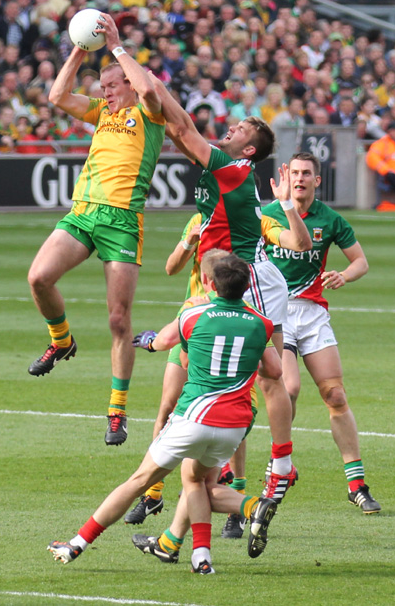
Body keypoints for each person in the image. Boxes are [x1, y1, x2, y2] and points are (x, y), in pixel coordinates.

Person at [48, 254, 293, 573]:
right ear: (246, 287)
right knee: (196, 481)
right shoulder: (261, 322)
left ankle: (77, 544)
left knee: (138, 481)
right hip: (234, 425)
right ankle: (202, 556)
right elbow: (274, 370)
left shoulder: (195, 314)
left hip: (195, 417)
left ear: (209, 283)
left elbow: (163, 342)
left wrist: (149, 342)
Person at [125, 164, 311, 532]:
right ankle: (154, 492)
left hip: (230, 323)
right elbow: (170, 268)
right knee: (166, 406)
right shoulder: (198, 219)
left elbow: (293, 241)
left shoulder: (254, 223)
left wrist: (286, 206)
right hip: (192, 321)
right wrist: (187, 242)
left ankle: (235, 497)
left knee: (236, 408)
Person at [26, 12, 166, 446]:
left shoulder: (149, 113)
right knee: (38, 277)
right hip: (84, 213)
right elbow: (56, 95)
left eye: (110, 86)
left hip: (123, 221)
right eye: (102, 88)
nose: (104, 94)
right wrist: (78, 50)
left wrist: (119, 47)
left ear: (125, 82)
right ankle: (61, 340)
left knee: (118, 320)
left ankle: (117, 411)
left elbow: (146, 88)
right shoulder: (100, 113)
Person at [262, 152, 381, 514]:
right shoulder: (269, 214)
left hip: (312, 313)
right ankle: (279, 465)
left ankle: (356, 483)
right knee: (290, 386)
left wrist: (344, 275)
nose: (299, 178)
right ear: (288, 177)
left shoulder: (330, 219)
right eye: (294, 172)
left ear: (317, 181)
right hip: (277, 313)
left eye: (306, 174)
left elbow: (360, 260)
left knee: (336, 395)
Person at [366, 121, 395, 212]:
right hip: (389, 174)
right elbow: (372, 157)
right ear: (389, 132)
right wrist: (386, 170)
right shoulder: (382, 143)